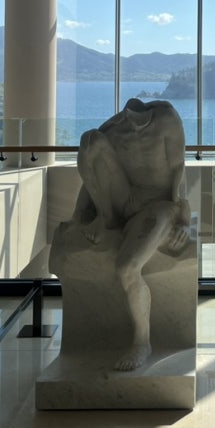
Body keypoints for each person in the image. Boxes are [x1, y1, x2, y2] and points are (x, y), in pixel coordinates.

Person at [69, 97, 190, 370]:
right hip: (126, 201)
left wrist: (183, 219)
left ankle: (141, 341)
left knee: (127, 267)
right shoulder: (113, 129)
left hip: (158, 206)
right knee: (90, 140)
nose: (134, 124)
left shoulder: (166, 119)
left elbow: (178, 168)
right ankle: (106, 219)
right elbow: (92, 175)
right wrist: (80, 216)